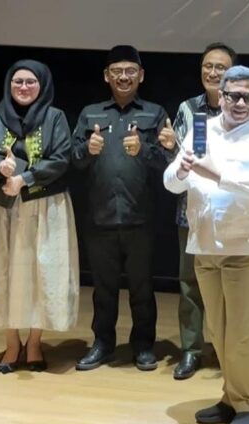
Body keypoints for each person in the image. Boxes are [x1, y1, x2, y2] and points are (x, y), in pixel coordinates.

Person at [164, 65, 249, 424]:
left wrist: (216, 174)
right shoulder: (202, 129)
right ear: (220, 96)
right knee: (218, 331)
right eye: (232, 95)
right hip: (206, 244)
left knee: (243, 335)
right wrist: (181, 172)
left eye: (247, 97)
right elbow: (171, 183)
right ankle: (231, 398)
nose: (239, 103)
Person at [72, 45, 176, 371]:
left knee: (142, 288)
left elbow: (169, 162)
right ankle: (102, 343)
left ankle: (143, 345)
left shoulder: (155, 113)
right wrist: (87, 150)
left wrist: (143, 149)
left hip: (140, 217)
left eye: (130, 71)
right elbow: (73, 158)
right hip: (100, 217)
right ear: (106, 76)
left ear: (141, 75)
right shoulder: (90, 113)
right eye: (117, 71)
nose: (124, 76)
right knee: (103, 289)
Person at [0, 60, 79, 373]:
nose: (23, 87)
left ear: (42, 85)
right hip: (3, 206)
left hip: (46, 204)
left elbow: (61, 158)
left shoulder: (55, 117)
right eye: (18, 81)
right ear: (8, 85)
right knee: (4, 271)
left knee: (42, 272)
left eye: (30, 82)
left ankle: (35, 342)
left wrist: (23, 179)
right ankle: (12, 343)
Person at [171, 42, 237, 380]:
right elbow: (179, 160)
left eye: (220, 67)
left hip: (230, 213)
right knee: (189, 283)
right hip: (192, 212)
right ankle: (191, 350)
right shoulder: (187, 109)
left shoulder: (240, 108)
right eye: (208, 66)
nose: (212, 72)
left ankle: (228, 350)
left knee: (229, 285)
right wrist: (169, 148)